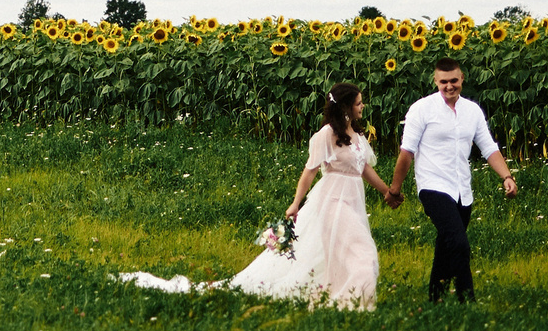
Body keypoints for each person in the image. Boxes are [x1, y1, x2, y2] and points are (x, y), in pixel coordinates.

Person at [120, 81, 398, 306]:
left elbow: (363, 170)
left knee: (340, 254)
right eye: (359, 103)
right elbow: (309, 172)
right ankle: (355, 301)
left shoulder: (359, 136)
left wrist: (388, 191)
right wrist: (295, 204)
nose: (363, 107)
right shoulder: (326, 135)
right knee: (363, 252)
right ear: (348, 106)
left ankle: (343, 295)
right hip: (332, 202)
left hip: (353, 202)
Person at [390, 56, 516, 303]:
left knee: (446, 246)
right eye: (443, 82)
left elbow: (489, 147)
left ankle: (435, 301)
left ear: (462, 79)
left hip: (462, 190)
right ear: (436, 81)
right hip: (432, 186)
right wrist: (395, 189)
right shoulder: (421, 109)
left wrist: (506, 177)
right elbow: (407, 152)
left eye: (454, 81)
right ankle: (466, 300)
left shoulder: (472, 111)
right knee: (459, 243)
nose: (449, 86)